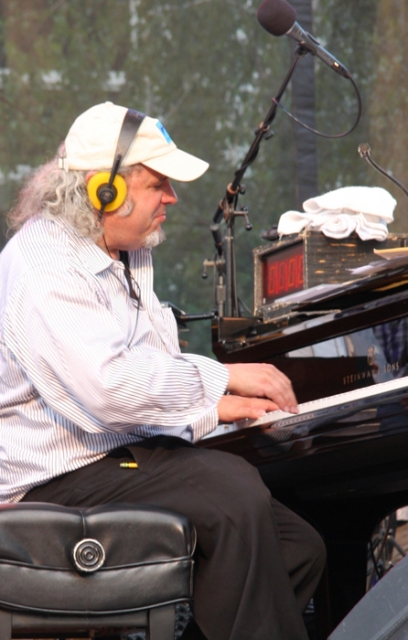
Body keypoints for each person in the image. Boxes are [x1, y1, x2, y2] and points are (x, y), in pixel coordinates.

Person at [0, 102, 325, 640]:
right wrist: (219, 384)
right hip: (50, 479)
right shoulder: (45, 262)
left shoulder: (126, 253)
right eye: (158, 185)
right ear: (106, 190)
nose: (172, 198)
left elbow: (152, 365)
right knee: (234, 491)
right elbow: (111, 388)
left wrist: (212, 410)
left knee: (299, 548)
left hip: (109, 453)